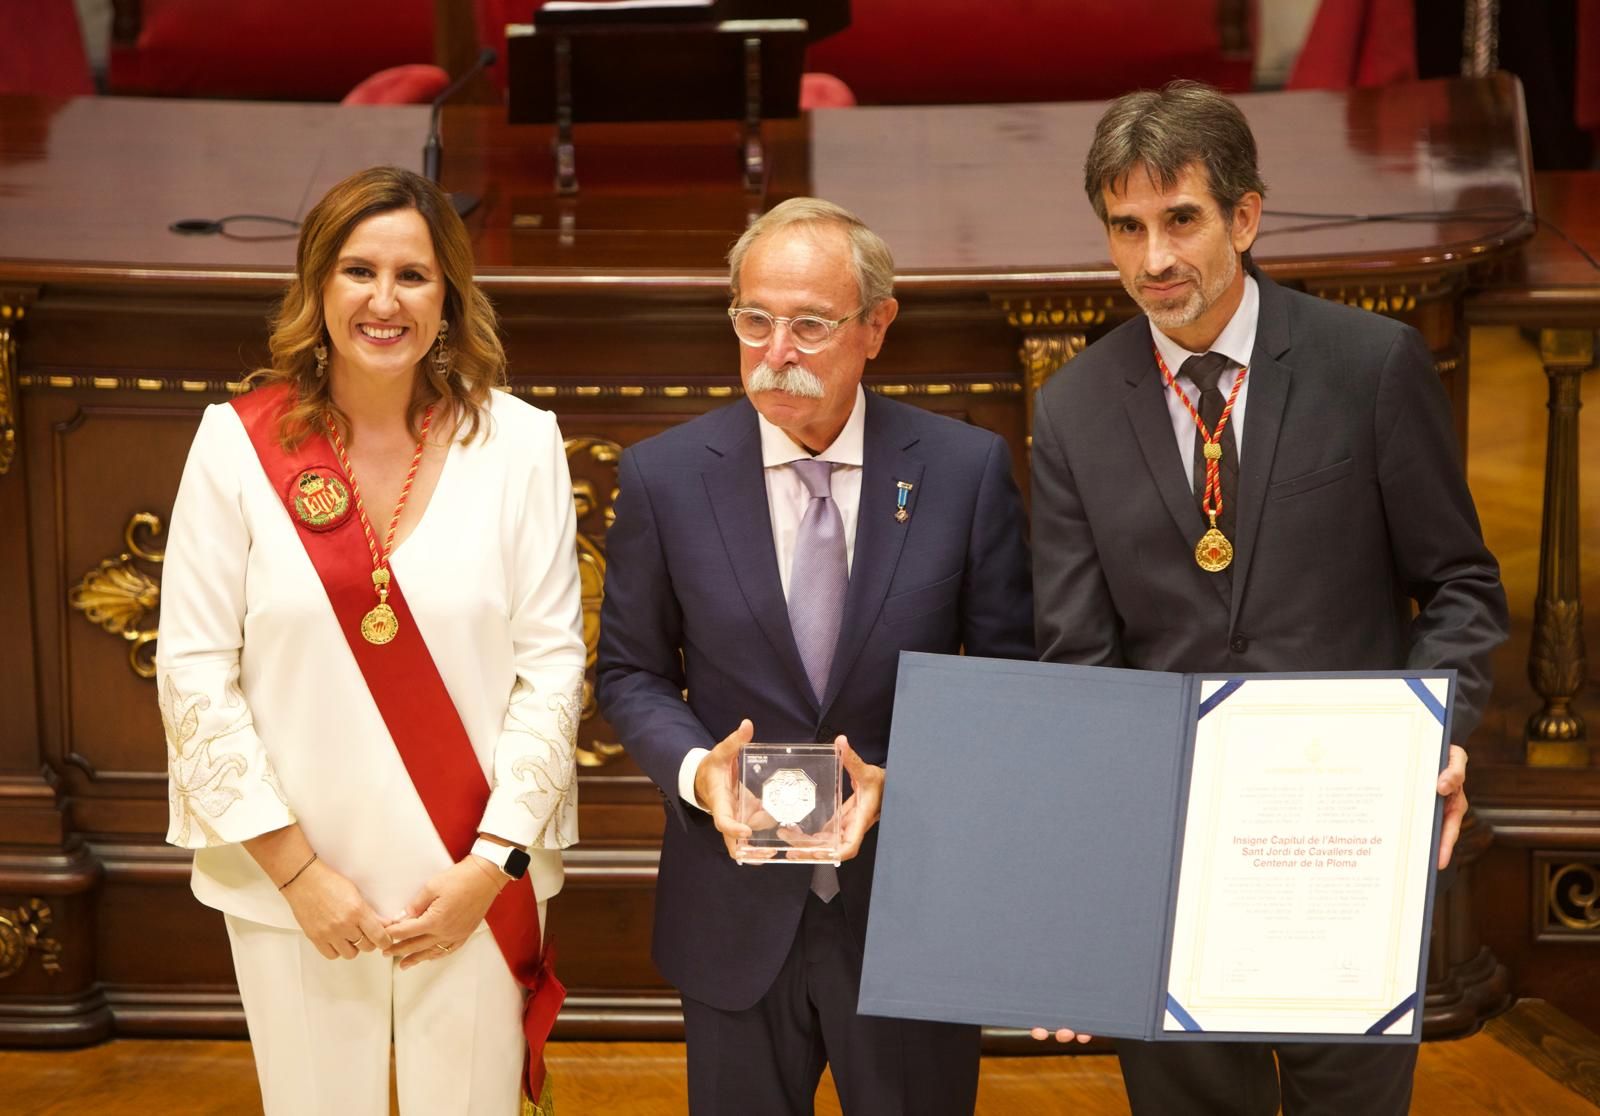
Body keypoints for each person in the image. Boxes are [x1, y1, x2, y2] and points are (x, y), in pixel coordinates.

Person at [1028, 81, 1509, 1115]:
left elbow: (1460, 585)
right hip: (1173, 869)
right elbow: (1078, 656)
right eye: (1126, 227)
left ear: (1245, 216)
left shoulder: (1368, 365)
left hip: (1347, 845)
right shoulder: (1070, 409)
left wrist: (1433, 736)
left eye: (1180, 220)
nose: (1153, 259)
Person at [157, 165, 584, 1116]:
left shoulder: (520, 445)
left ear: (450, 298)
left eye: (414, 276)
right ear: (318, 286)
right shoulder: (234, 445)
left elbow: (553, 671)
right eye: (358, 271)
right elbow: (192, 672)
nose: (384, 301)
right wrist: (301, 875)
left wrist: (492, 864)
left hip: (472, 880)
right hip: (294, 888)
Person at [596, 197, 1033, 1115]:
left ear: (877, 327)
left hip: (910, 912)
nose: (775, 351)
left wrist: (903, 780)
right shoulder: (665, 477)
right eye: (753, 321)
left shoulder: (963, 471)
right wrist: (697, 771)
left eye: (809, 324)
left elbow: (1008, 690)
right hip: (734, 915)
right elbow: (629, 672)